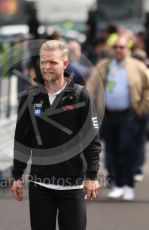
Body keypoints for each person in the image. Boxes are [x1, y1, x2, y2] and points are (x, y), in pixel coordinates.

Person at [11, 40, 101, 230]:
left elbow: (91, 140)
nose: (46, 67)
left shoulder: (80, 96)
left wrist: (92, 176)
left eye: (52, 62)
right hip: (39, 184)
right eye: (43, 62)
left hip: (72, 185)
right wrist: (17, 175)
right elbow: (22, 140)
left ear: (65, 64)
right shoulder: (29, 97)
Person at [86, 36, 149, 201]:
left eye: (122, 47)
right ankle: (116, 184)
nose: (118, 50)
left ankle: (128, 185)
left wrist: (143, 108)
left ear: (127, 49)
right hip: (109, 114)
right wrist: (88, 105)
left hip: (128, 114)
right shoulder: (105, 66)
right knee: (111, 150)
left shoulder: (137, 66)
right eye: (116, 47)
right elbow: (91, 85)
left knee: (127, 149)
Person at [132, 49, 149, 182]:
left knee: (132, 141)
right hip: (143, 112)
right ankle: (137, 168)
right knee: (140, 141)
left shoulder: (130, 72)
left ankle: (133, 168)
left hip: (132, 112)